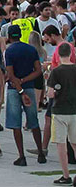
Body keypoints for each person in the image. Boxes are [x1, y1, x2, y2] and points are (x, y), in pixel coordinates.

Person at [4, 23, 45, 166]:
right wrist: (25, 80)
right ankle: (41, 152)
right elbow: (38, 70)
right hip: (29, 86)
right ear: (21, 35)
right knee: (33, 121)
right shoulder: (31, 49)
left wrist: (19, 88)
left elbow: (10, 74)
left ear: (9, 37)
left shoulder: (9, 51)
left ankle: (21, 156)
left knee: (16, 124)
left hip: (14, 89)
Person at [48, 42, 76, 184]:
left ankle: (66, 175)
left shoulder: (56, 71)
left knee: (61, 144)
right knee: (75, 143)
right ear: (71, 53)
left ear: (58, 54)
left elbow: (51, 93)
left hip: (59, 110)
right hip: (74, 110)